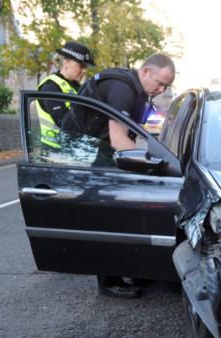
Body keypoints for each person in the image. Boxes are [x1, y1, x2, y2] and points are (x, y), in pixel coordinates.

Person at [62, 53, 176, 298]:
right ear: (145, 71)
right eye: (159, 83)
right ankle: (109, 281)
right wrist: (157, 164)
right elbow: (118, 139)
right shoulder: (123, 90)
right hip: (81, 155)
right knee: (106, 215)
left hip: (98, 151)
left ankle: (133, 270)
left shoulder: (139, 91)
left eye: (166, 86)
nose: (161, 89)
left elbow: (134, 133)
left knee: (126, 209)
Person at [36, 41, 95, 149]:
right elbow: (64, 123)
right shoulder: (51, 87)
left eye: (85, 67)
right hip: (55, 154)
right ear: (65, 63)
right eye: (80, 66)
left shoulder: (77, 87)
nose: (84, 71)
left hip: (73, 151)